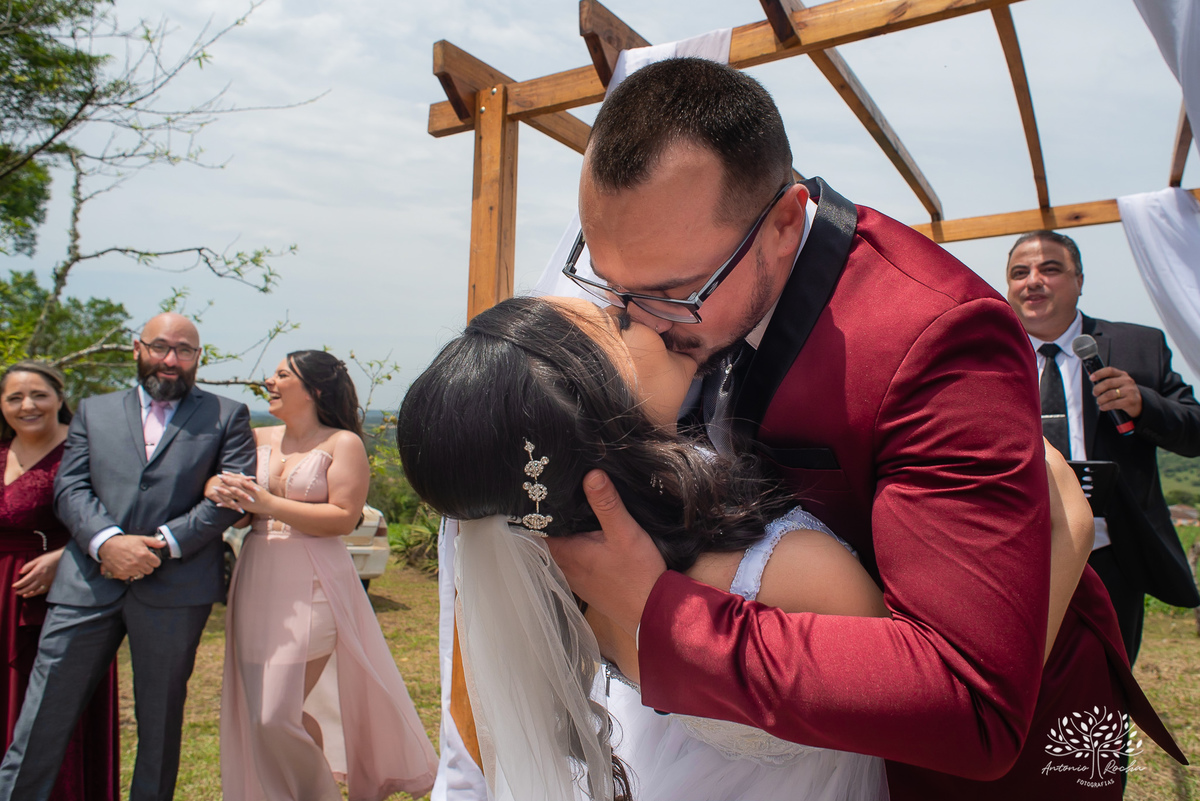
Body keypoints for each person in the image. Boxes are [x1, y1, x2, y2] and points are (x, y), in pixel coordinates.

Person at [540, 57, 1185, 800]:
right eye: (610, 282)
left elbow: (970, 699)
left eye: (674, 294)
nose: (636, 324)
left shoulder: (935, 338)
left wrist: (665, 616)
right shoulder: (687, 285)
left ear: (784, 224)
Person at [396, 295, 1095, 801]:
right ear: (591, 408)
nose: (640, 306)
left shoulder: (539, 561)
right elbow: (949, 709)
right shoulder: (782, 570)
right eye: (615, 320)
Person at [0, 313, 256, 801]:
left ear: (197, 358)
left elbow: (230, 496)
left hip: (176, 589)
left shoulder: (228, 414)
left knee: (159, 724)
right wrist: (108, 542)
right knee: (41, 718)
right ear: (136, 349)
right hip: (86, 584)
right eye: (160, 347)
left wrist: (160, 543)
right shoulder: (94, 413)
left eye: (185, 350)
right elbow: (69, 487)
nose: (171, 360)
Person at [210, 350, 436, 801]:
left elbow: (342, 518)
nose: (268, 382)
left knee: (275, 714)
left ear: (314, 388)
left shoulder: (342, 444)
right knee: (265, 711)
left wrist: (268, 504)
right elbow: (235, 511)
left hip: (314, 578)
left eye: (280, 375)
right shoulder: (255, 437)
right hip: (256, 574)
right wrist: (215, 489)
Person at [1006, 229, 1200, 662]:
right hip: (1018, 558)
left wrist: (1143, 405)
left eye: (1049, 269)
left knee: (1107, 696)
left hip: (1113, 556)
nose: (1032, 280)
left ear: (1079, 280)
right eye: (1019, 272)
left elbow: (1195, 432)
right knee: (1028, 688)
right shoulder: (986, 353)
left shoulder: (1139, 345)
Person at [0, 362, 119, 801]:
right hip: (1, 594)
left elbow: (116, 518)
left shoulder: (84, 451)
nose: (27, 405)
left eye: (39, 395)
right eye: (14, 397)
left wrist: (65, 558)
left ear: (60, 397)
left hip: (64, 597)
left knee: (49, 712)